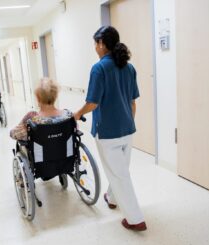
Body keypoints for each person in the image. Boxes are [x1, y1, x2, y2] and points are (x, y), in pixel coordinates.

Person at [74, 26, 147, 231]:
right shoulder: (129, 67)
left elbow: (92, 103)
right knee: (120, 170)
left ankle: (135, 219)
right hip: (127, 129)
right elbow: (133, 102)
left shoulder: (99, 69)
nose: (94, 48)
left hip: (108, 132)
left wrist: (77, 114)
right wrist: (127, 123)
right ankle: (112, 198)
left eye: (95, 43)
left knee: (120, 174)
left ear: (101, 44)